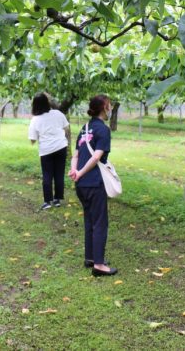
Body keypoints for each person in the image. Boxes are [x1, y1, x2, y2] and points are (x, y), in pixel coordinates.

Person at [69, 95, 118, 277]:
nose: (111, 108)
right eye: (110, 105)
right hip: (95, 182)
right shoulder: (103, 130)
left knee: (89, 220)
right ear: (105, 107)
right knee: (100, 223)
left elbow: (75, 155)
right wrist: (80, 172)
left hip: (81, 185)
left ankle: (90, 257)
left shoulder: (85, 128)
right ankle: (99, 264)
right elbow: (97, 156)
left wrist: (75, 171)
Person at [28, 92, 70, 210]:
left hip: (46, 150)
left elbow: (32, 140)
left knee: (47, 175)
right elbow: (66, 128)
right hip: (61, 147)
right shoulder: (57, 113)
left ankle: (47, 202)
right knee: (59, 174)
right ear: (47, 103)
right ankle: (57, 200)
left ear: (35, 105)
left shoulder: (35, 120)